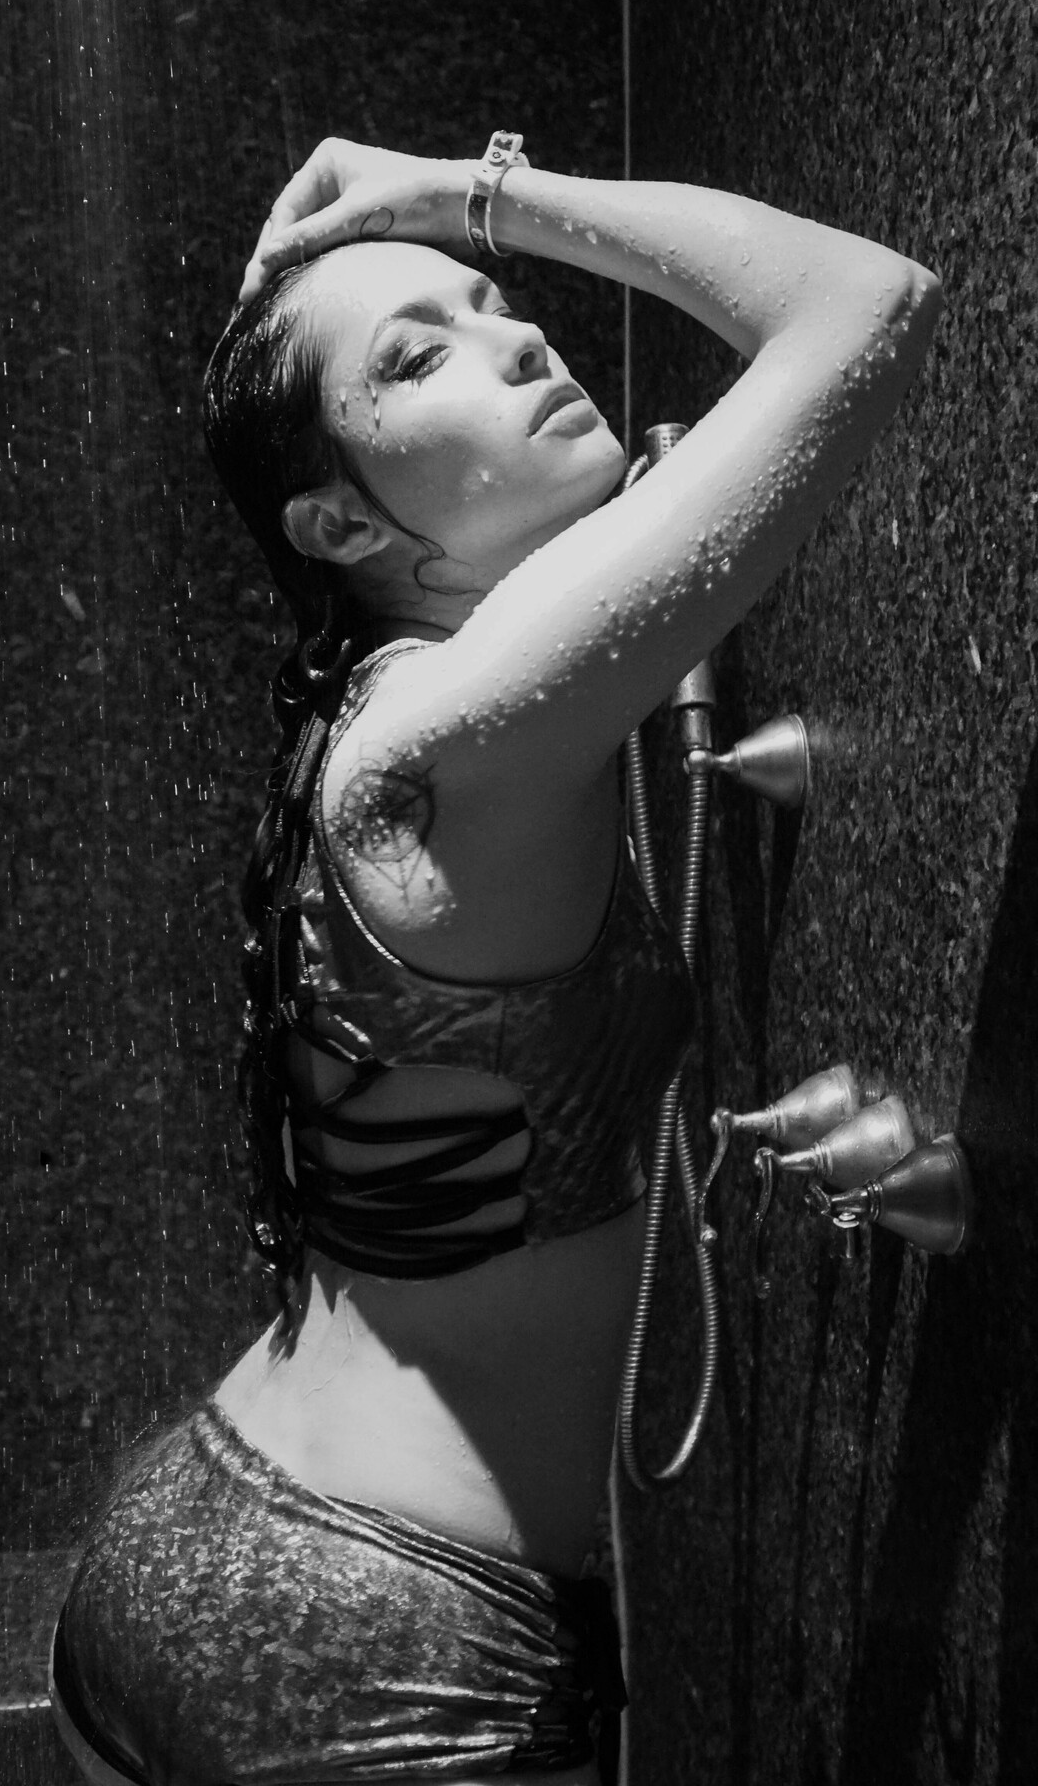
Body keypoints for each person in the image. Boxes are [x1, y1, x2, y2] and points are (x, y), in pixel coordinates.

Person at [49, 136, 941, 1785]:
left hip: (186, 1532)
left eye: (490, 300)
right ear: (336, 520)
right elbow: (859, 304)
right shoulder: (459, 738)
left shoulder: (376, 718)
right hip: (391, 1644)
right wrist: (479, 191)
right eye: (417, 357)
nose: (516, 337)